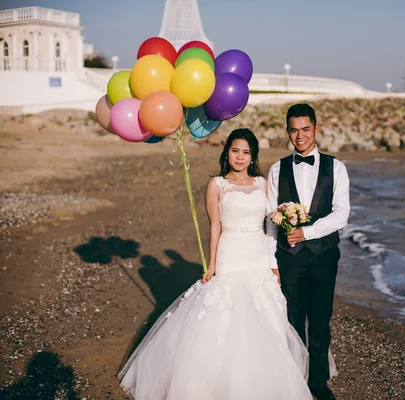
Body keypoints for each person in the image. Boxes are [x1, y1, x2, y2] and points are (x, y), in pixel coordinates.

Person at [119, 128, 312, 400]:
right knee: (226, 313)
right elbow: (215, 227)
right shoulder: (216, 185)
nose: (240, 157)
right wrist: (211, 264)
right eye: (235, 151)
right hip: (230, 252)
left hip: (257, 253)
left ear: (253, 156)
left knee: (265, 312)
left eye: (246, 152)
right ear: (227, 152)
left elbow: (271, 227)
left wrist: (273, 263)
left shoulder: (262, 183)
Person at [266, 103, 350, 400]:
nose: (299, 136)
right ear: (287, 131)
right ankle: (295, 379)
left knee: (320, 319)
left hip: (325, 256)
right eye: (293, 130)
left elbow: (342, 214)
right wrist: (270, 260)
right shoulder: (277, 169)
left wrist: (308, 232)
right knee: (292, 319)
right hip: (288, 258)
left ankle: (317, 381)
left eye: (305, 129)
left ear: (316, 129)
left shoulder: (335, 167)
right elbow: (270, 219)